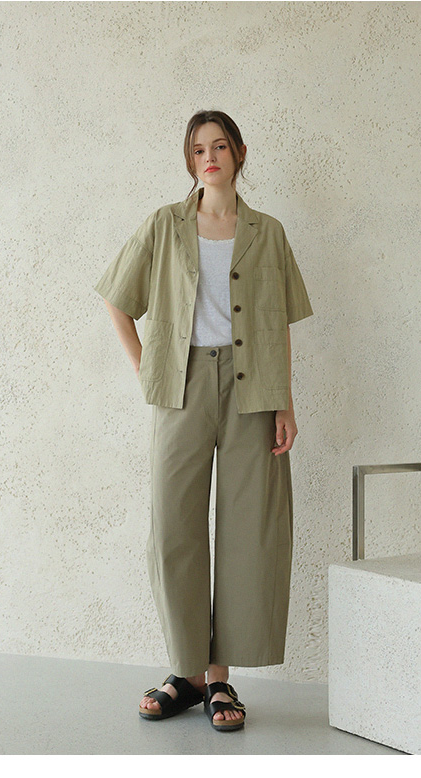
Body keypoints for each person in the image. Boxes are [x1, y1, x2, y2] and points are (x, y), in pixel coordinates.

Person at [94, 110, 314, 732]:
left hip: (253, 390)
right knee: (175, 527)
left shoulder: (267, 232)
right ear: (189, 160)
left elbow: (279, 324)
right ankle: (186, 673)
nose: (209, 157)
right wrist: (147, 368)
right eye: (198, 149)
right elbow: (116, 299)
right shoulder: (164, 225)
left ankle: (219, 679)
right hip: (182, 385)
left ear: (240, 152)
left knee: (248, 530)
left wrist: (286, 403)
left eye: (219, 146)